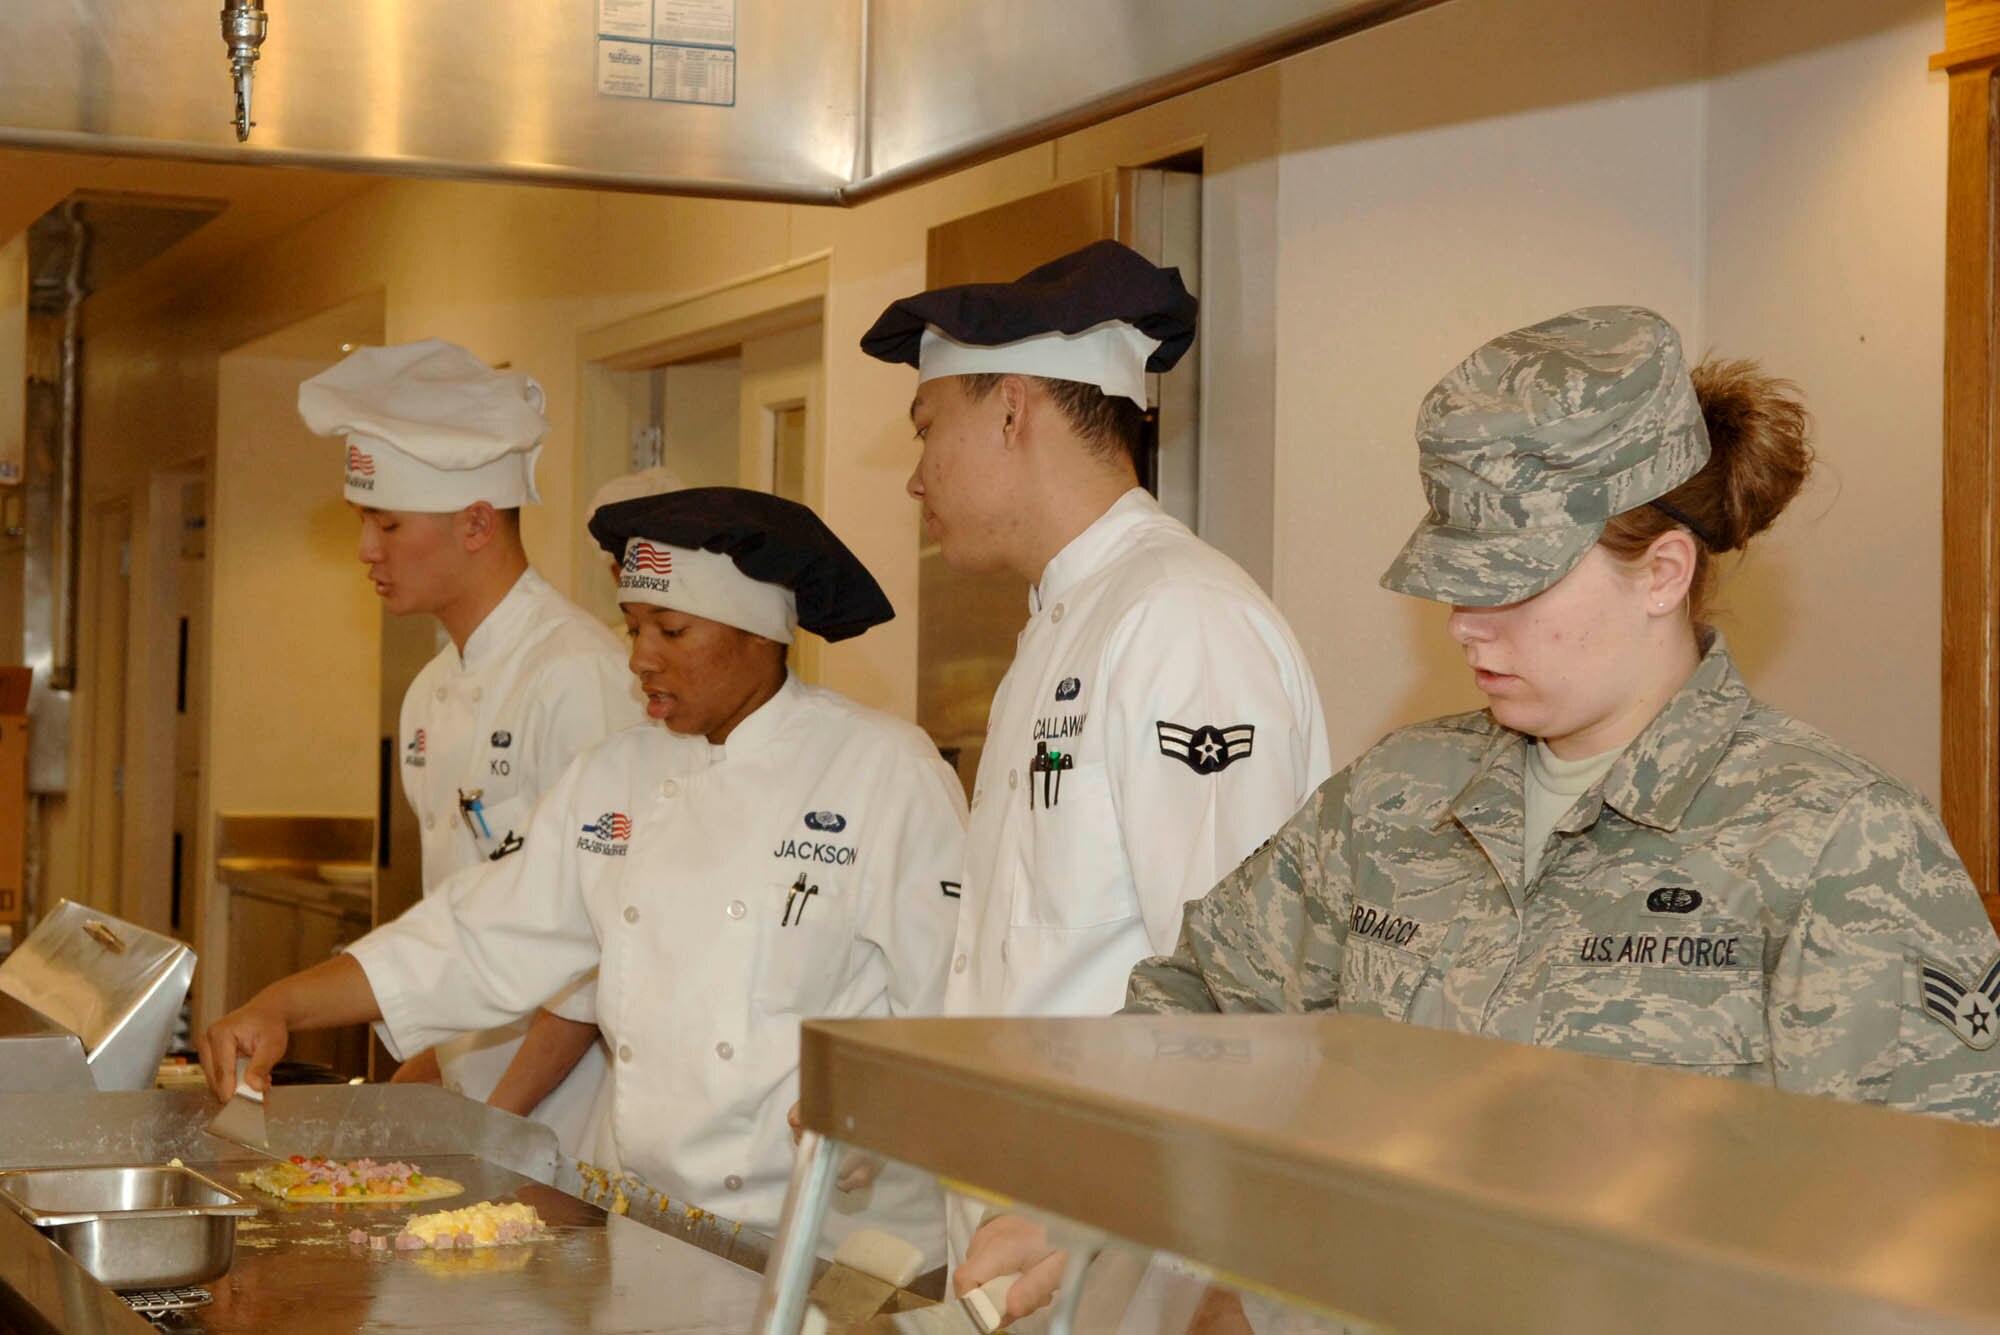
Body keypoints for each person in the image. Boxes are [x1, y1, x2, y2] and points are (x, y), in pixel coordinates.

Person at [201, 486, 966, 1263]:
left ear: (759, 635)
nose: (640, 657)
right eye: (633, 627)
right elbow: (472, 936)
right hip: (647, 1228)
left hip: (826, 1245)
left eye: (671, 629)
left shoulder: (882, 772)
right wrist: (284, 1004)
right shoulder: (615, 778)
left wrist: (871, 1111)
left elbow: (956, 1012)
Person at [295, 338, 642, 1157]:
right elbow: (462, 933)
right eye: (361, 522)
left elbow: (599, 945)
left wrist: (488, 1124)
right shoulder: (428, 693)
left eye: (387, 522)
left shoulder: (579, 675)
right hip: (475, 1116)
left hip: (563, 1128)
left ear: (477, 522)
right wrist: (416, 1092)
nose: (365, 550)